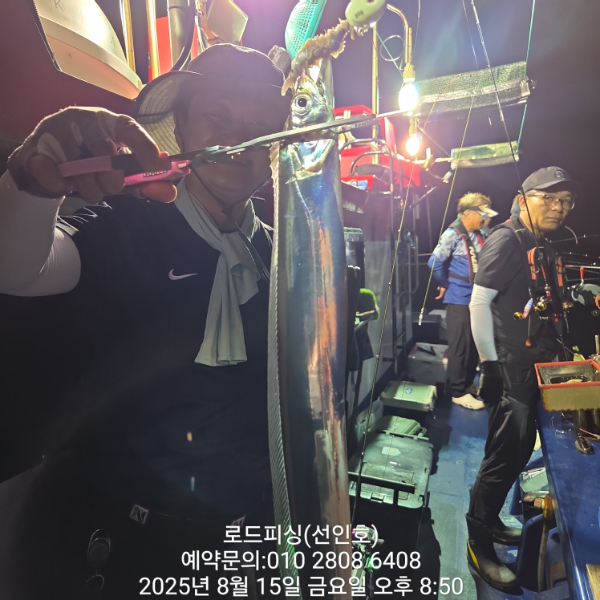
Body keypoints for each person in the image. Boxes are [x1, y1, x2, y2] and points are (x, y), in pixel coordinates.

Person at [0, 44, 290, 598]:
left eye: (260, 127)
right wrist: (31, 182)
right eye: (218, 116)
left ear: (275, 146)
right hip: (122, 539)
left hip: (244, 543)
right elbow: (19, 270)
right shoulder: (129, 224)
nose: (238, 138)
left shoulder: (285, 255)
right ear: (181, 128)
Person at [466, 167, 580, 591]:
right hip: (511, 369)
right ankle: (478, 544)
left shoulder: (539, 243)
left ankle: (492, 520)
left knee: (513, 452)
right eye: (548, 198)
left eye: (565, 201)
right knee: (506, 454)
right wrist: (489, 365)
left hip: (535, 367)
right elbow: (479, 301)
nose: (558, 207)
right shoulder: (507, 239)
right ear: (522, 199)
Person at [428, 193, 498, 410]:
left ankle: (467, 384)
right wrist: (445, 284)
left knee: (474, 344)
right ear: (467, 213)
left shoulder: (480, 233)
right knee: (460, 346)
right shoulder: (452, 234)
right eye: (482, 213)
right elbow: (434, 262)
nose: (485, 218)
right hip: (459, 298)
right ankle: (458, 392)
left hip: (477, 298)